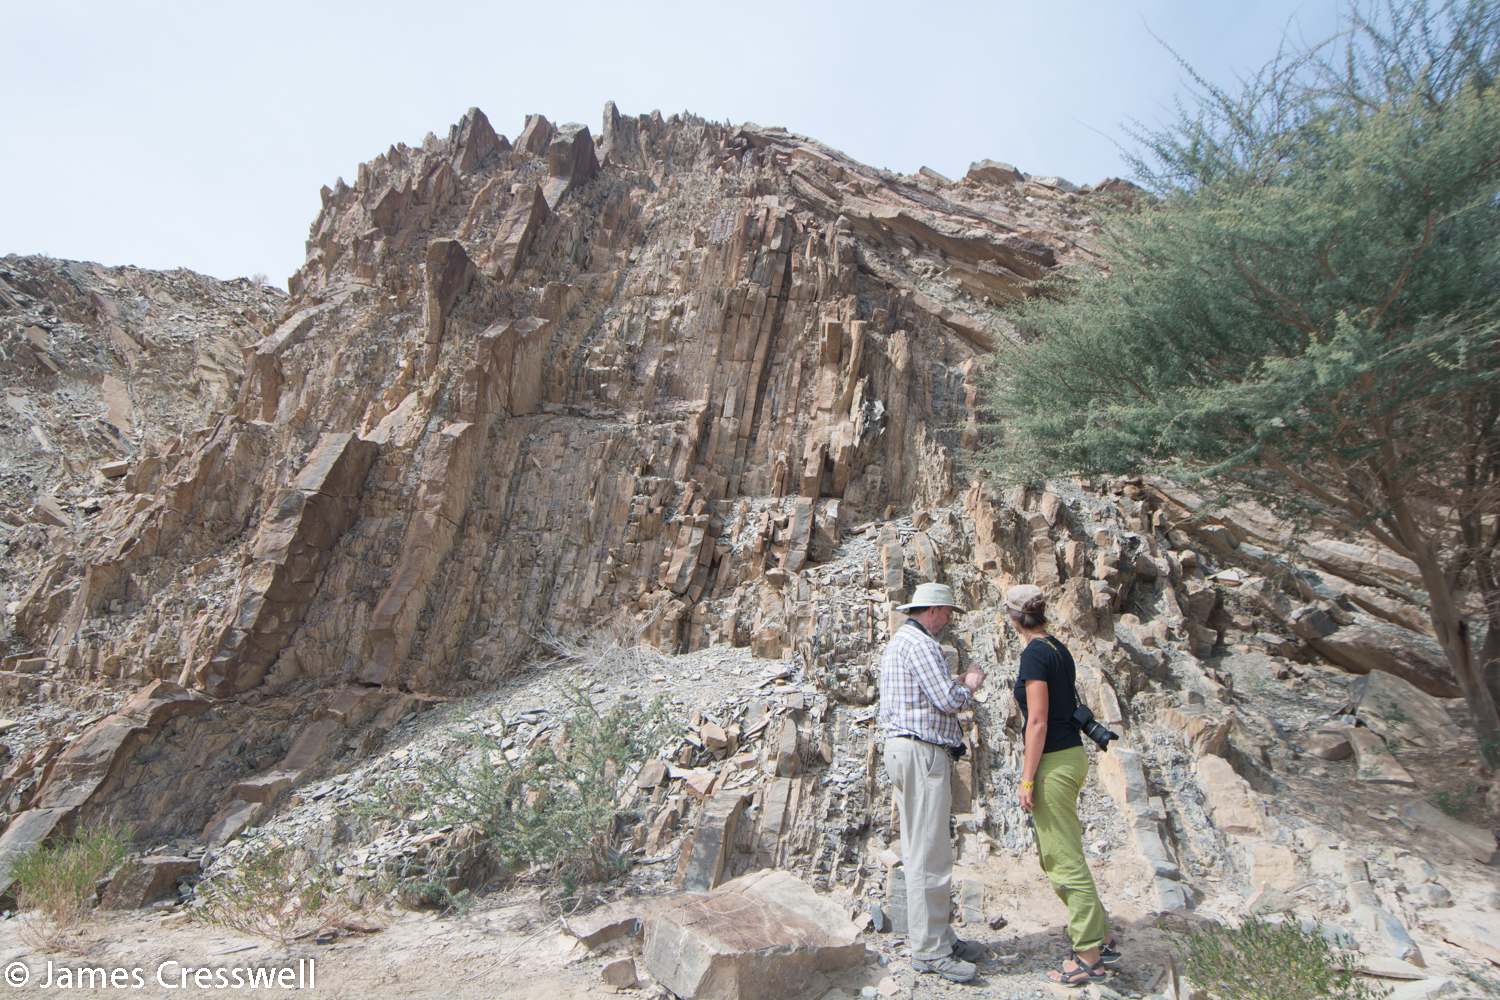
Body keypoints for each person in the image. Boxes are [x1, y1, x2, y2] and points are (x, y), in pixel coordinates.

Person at [1006, 583, 1120, 988]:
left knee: (1061, 858)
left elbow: (1036, 721)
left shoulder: (1034, 653)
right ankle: (1102, 935)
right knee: (1067, 849)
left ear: (1013, 618)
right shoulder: (1057, 647)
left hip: (1052, 761)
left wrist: (1027, 777)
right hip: (1071, 754)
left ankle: (1089, 955)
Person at [879, 582, 987, 983]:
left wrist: (956, 678)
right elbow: (948, 700)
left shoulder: (903, 641)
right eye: (947, 614)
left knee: (924, 848)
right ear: (934, 611)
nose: (948, 622)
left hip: (910, 751)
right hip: (922, 753)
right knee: (929, 854)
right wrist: (971, 682)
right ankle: (929, 950)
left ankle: (938, 934)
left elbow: (928, 693)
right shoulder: (922, 644)